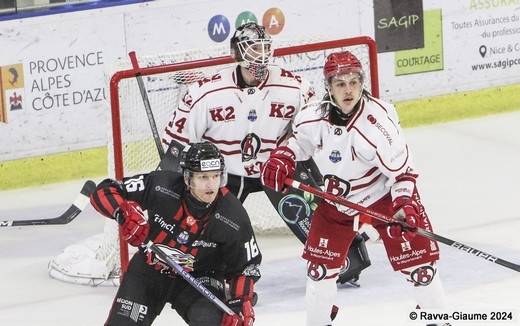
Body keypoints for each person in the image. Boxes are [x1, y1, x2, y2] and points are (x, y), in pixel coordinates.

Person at [161, 22, 370, 286]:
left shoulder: (295, 87)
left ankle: (345, 252)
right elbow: (176, 147)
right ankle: (203, 265)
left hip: (276, 168)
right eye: (253, 49)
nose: (260, 56)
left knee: (321, 220)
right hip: (225, 172)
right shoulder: (205, 92)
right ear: (238, 53)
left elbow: (320, 134)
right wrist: (164, 197)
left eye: (264, 48)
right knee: (210, 227)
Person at [261, 51, 445, 325]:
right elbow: (299, 142)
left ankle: (440, 320)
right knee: (319, 273)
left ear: (362, 83)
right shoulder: (312, 117)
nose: (348, 90)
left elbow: (403, 174)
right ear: (328, 87)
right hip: (337, 203)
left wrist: (404, 207)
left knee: (420, 270)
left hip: (382, 197)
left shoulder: (378, 124)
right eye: (340, 84)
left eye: (354, 82)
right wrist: (284, 156)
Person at [90, 141, 261, 326]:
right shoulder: (161, 186)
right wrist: (123, 212)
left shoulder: (233, 216)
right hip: (149, 270)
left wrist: (241, 301)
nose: (211, 185)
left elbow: (245, 267)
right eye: (203, 177)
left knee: (212, 321)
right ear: (188, 178)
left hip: (200, 277)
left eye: (216, 176)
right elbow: (104, 191)